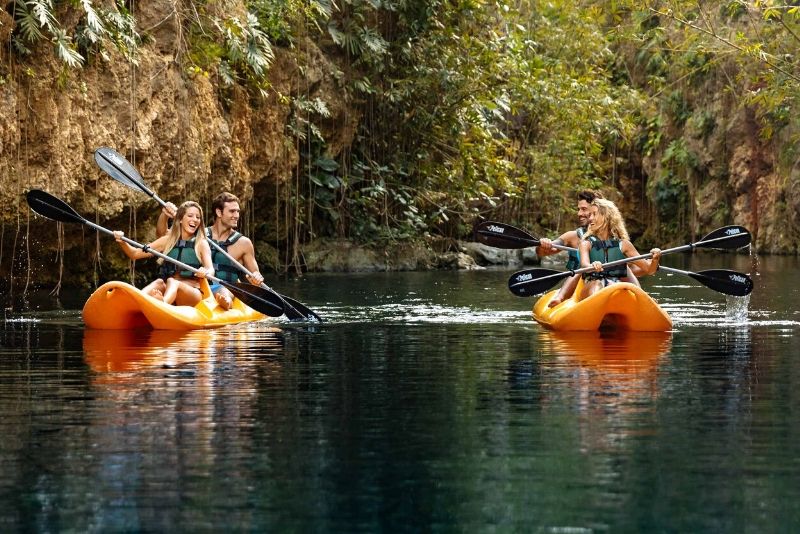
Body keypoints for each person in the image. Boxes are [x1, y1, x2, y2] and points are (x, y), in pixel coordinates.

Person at [157, 192, 264, 310]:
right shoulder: (198, 234)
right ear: (219, 212)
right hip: (198, 288)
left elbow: (255, 275)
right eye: (232, 211)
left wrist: (256, 278)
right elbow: (164, 236)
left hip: (227, 289)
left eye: (238, 211)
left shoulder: (244, 243)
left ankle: (225, 302)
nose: (237, 215)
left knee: (224, 291)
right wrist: (164, 215)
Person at [113, 201, 214, 306]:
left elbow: (211, 269)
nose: (195, 220)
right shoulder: (167, 240)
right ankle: (133, 303)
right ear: (179, 219)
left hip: (193, 293)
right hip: (169, 289)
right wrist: (122, 241)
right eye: (190, 215)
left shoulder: (201, 243)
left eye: (198, 217)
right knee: (159, 282)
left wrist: (206, 272)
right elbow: (135, 254)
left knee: (172, 281)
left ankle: (163, 304)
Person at [579, 198, 661, 300]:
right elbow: (584, 264)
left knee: (622, 282)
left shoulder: (624, 244)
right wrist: (592, 265)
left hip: (614, 287)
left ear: (606, 217)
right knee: (597, 283)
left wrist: (655, 259)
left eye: (594, 214)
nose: (590, 218)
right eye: (589, 215)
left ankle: (640, 299)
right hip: (591, 287)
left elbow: (649, 270)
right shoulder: (586, 243)